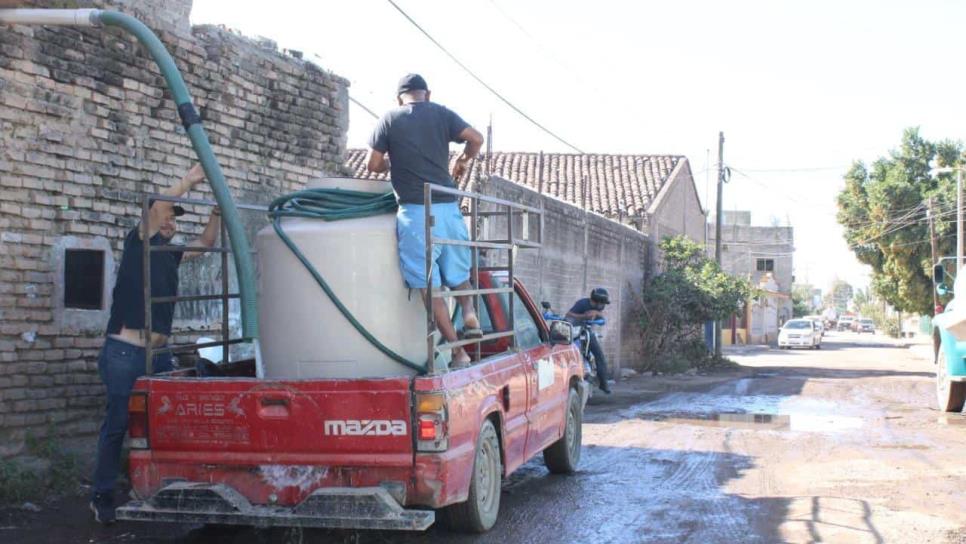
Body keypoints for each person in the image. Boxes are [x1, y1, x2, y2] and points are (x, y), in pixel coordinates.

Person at [90, 164, 221, 524]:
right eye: (165, 216)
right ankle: (102, 495)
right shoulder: (139, 244)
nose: (169, 223)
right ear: (152, 219)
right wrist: (190, 181)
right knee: (117, 423)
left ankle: (160, 486)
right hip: (124, 351)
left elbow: (206, 243)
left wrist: (215, 215)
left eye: (173, 220)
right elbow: (156, 205)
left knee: (165, 419)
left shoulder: (169, 253)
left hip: (158, 353)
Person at [366, 73, 485, 367]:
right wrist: (462, 160)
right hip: (448, 208)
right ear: (427, 94)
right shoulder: (441, 114)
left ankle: (458, 351)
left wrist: (394, 162)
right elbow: (476, 139)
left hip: (416, 212)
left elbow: (373, 164)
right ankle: (469, 312)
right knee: (459, 274)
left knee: (428, 287)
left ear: (399, 99)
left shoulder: (389, 119)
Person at [566, 287, 612, 394]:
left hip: (587, 332)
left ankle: (604, 383)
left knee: (599, 356)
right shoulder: (582, 304)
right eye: (602, 303)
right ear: (596, 301)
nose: (603, 306)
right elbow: (568, 315)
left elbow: (602, 318)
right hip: (575, 332)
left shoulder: (598, 308)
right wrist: (584, 316)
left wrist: (597, 313)